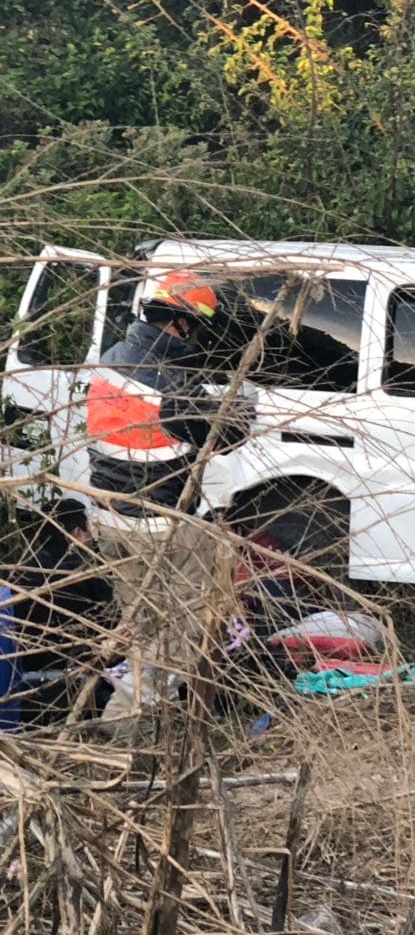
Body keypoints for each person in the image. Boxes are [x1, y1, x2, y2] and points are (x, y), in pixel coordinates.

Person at [86, 269, 252, 731]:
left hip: (110, 520)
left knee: (146, 632)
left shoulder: (112, 360)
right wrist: (243, 411)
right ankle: (124, 729)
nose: (197, 339)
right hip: (157, 525)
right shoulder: (169, 383)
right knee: (180, 637)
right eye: (196, 329)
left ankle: (146, 728)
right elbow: (225, 435)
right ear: (181, 324)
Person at [5, 499, 114, 726]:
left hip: (19, 690)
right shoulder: (87, 573)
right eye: (89, 529)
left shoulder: (20, 573)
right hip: (69, 687)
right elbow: (114, 634)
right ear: (76, 533)